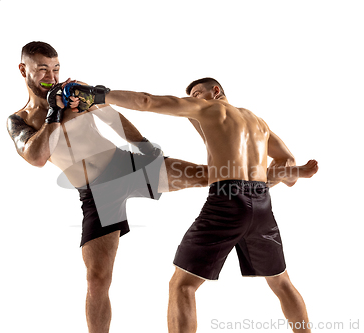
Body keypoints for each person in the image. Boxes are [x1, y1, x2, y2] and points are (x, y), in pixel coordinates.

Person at [8, 42, 316, 333]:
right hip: (95, 192)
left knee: (213, 175)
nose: (52, 76)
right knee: (98, 278)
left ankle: (270, 179)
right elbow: (36, 157)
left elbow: (115, 115)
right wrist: (54, 113)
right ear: (24, 71)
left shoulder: (74, 94)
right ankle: (274, 180)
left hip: (125, 165)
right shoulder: (19, 120)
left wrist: (142, 146)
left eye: (55, 68)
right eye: (42, 70)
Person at [95, 77, 318, 333]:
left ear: (216, 91)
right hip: (262, 203)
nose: (193, 100)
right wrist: (286, 175)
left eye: (197, 94)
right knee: (281, 283)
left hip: (227, 201)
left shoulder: (210, 108)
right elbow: (286, 161)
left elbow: (146, 101)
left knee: (182, 286)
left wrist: (100, 95)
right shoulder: (257, 121)